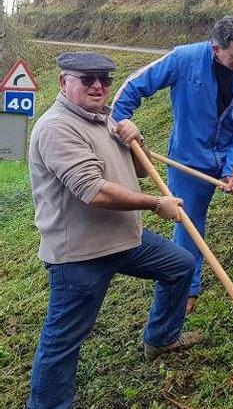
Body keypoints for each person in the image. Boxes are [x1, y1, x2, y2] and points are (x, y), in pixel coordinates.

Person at [28, 52, 201, 409]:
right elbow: (94, 190)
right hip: (81, 254)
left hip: (124, 239)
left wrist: (137, 142)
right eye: (87, 79)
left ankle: (161, 337)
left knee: (181, 265)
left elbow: (139, 171)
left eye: (105, 80)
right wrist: (155, 204)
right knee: (64, 338)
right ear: (64, 82)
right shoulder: (56, 128)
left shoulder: (103, 119)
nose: (98, 86)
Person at [112, 16, 233, 316]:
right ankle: (186, 290)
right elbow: (135, 85)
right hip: (190, 155)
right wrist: (119, 119)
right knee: (187, 221)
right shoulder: (183, 58)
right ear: (216, 49)